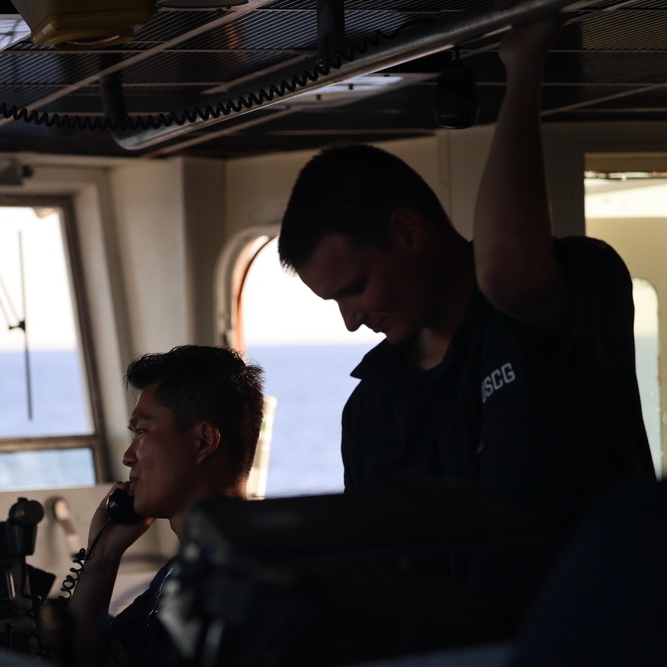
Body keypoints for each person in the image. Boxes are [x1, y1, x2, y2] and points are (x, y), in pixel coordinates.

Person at [276, 10, 655, 618]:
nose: (351, 320)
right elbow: (378, 580)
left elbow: (505, 273)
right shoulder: (371, 410)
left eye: (356, 287)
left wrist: (524, 70)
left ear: (407, 231)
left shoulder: (575, 291)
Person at [59, 344, 265, 666]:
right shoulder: (178, 574)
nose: (128, 456)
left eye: (142, 431)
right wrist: (104, 552)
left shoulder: (256, 583)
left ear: (203, 442)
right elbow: (85, 659)